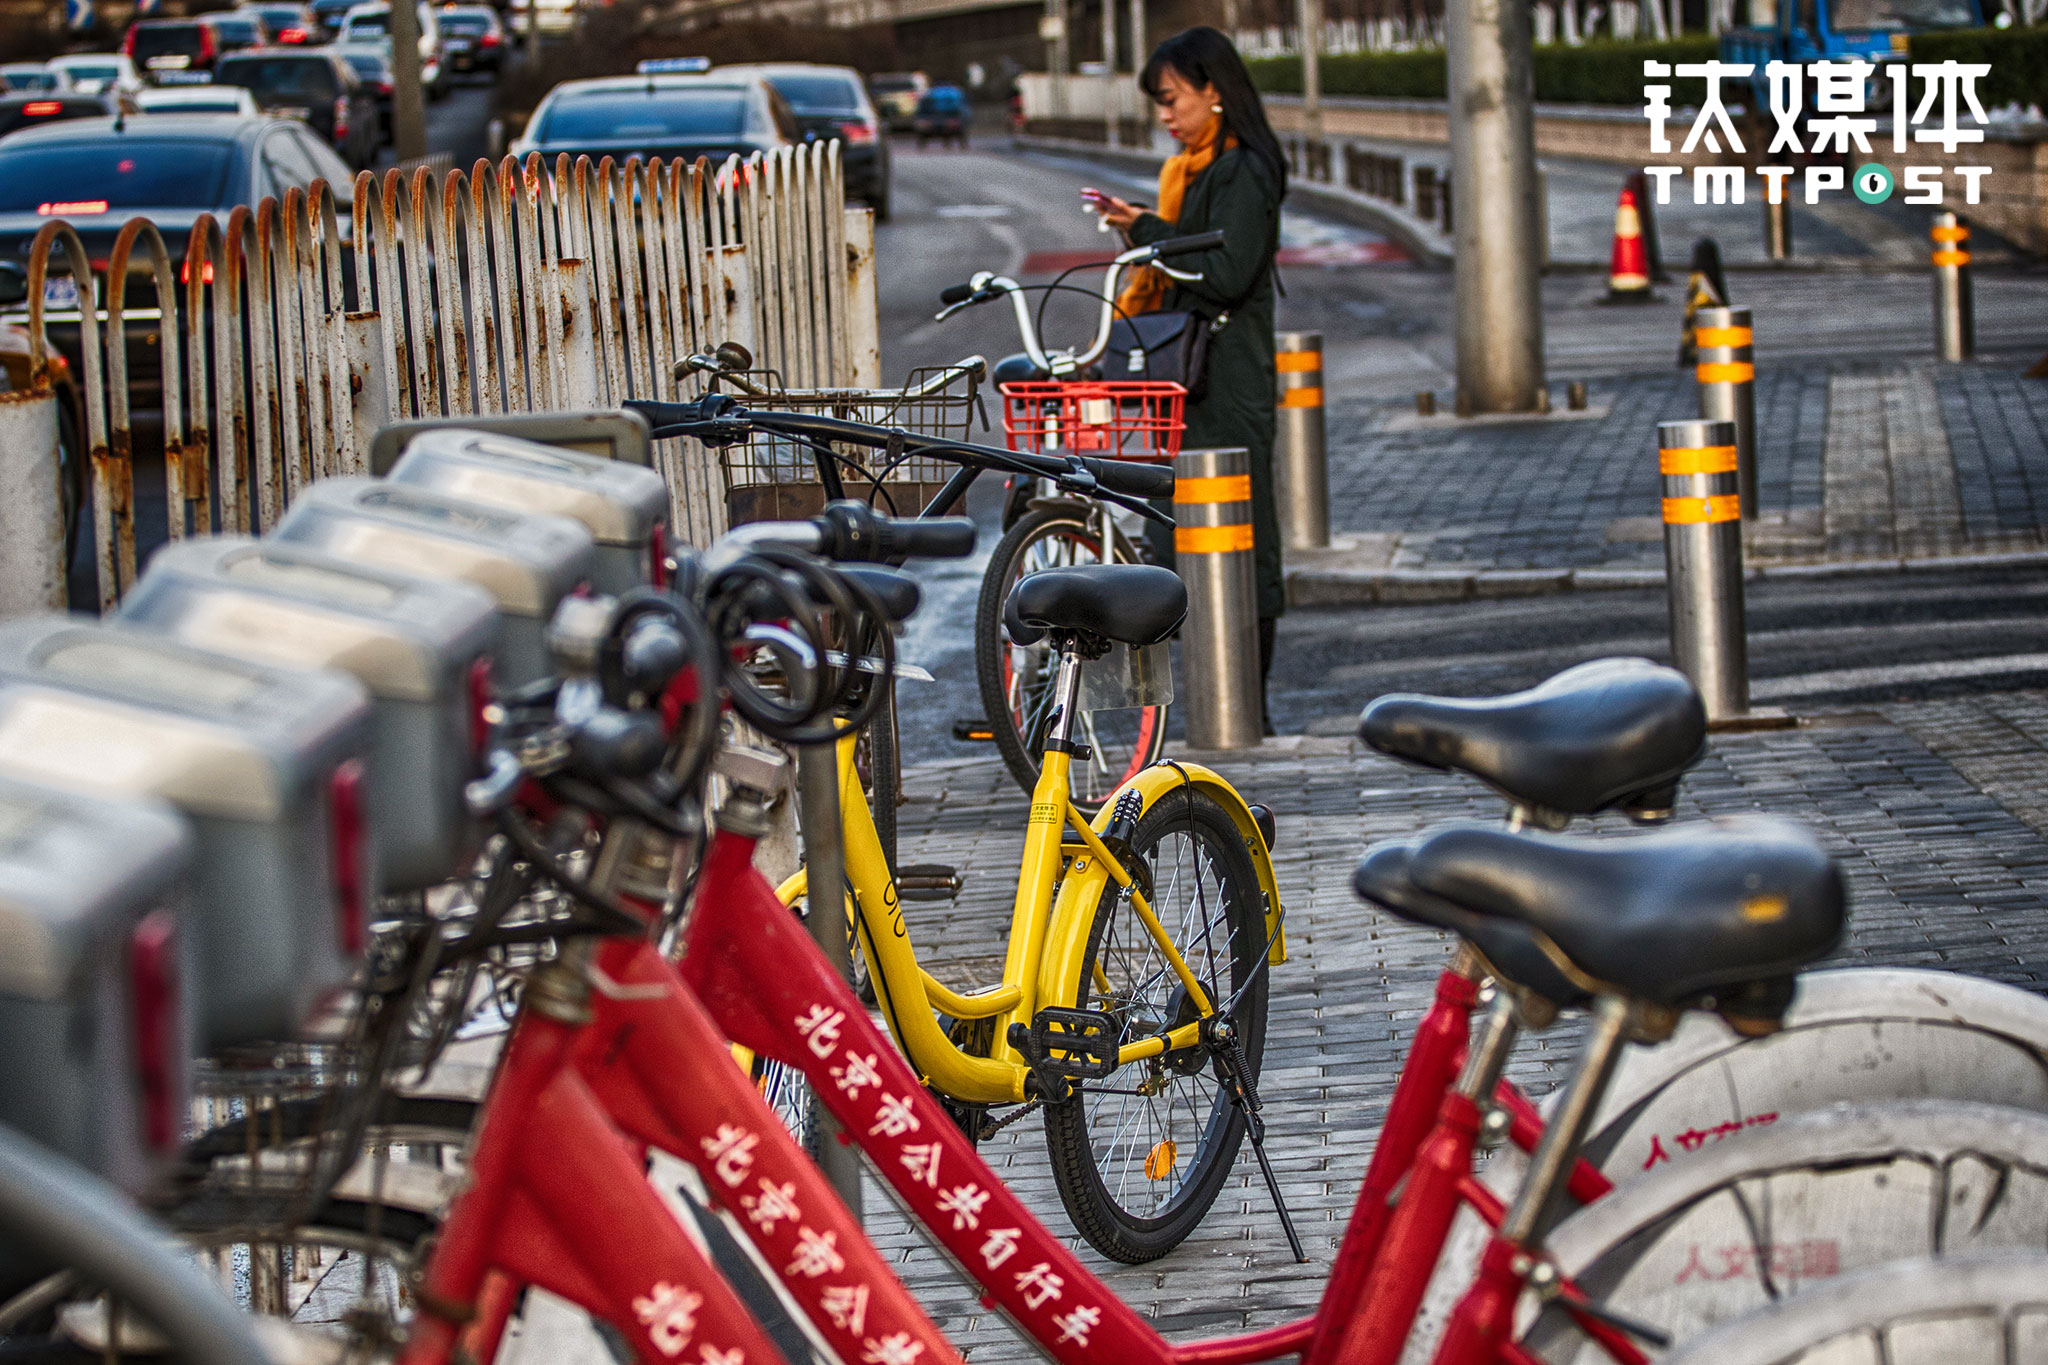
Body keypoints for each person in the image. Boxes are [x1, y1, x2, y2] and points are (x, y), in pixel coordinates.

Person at [1083, 26, 1288, 732]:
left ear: (1214, 90)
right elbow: (1193, 257)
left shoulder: (1243, 171)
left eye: (1172, 98)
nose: (1165, 115)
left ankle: (1246, 708)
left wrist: (1147, 233)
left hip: (1227, 380)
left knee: (1239, 538)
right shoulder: (1198, 170)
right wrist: (1145, 226)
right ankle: (1212, 705)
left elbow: (1225, 273)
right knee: (1180, 533)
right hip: (1193, 377)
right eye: (1159, 103)